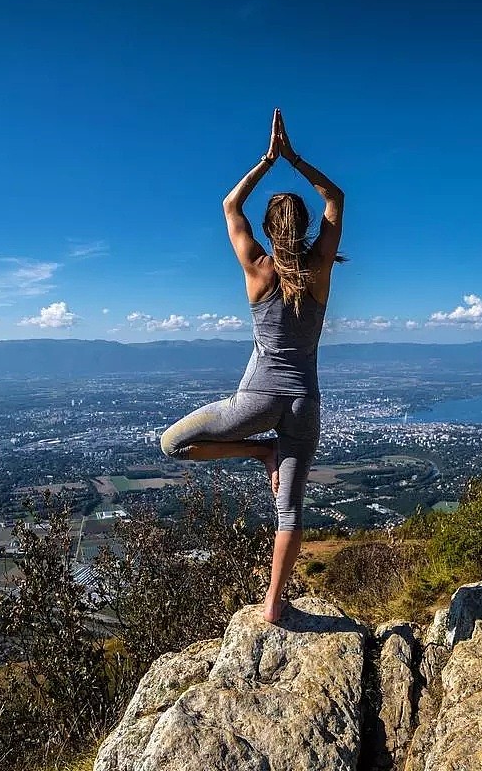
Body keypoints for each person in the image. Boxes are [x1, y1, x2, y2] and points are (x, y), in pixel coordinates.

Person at [160, 109, 345, 623]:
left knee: (172, 444)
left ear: (267, 229)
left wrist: (267, 162)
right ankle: (272, 605)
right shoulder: (320, 269)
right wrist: (296, 159)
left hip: (257, 399)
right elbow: (336, 199)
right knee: (290, 512)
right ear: (306, 227)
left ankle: (257, 451)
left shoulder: (256, 269)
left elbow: (228, 204)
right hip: (305, 401)